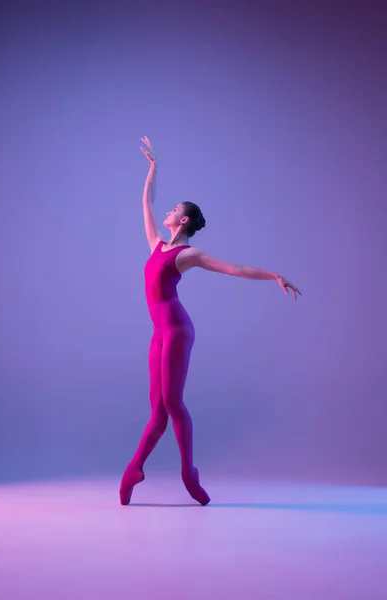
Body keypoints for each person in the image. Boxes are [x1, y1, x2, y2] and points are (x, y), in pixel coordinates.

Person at [120, 137, 302, 506]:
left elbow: (234, 269)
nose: (167, 211)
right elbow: (146, 203)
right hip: (158, 334)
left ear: (183, 220)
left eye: (174, 209)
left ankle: (188, 473)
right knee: (157, 409)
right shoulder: (156, 244)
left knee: (173, 404)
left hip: (176, 331)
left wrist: (273, 275)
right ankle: (135, 469)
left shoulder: (189, 254)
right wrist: (153, 169)